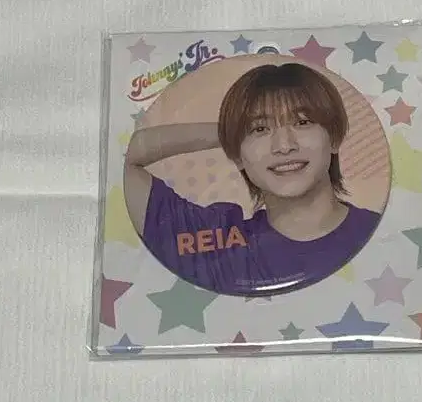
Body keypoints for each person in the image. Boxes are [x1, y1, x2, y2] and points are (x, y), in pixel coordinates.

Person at [123, 62, 381, 295]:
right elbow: (124, 158)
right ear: (236, 155)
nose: (284, 145)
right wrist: (230, 133)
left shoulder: (380, 233)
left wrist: (246, 133)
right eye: (260, 129)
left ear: (334, 137)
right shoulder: (214, 244)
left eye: (302, 122)